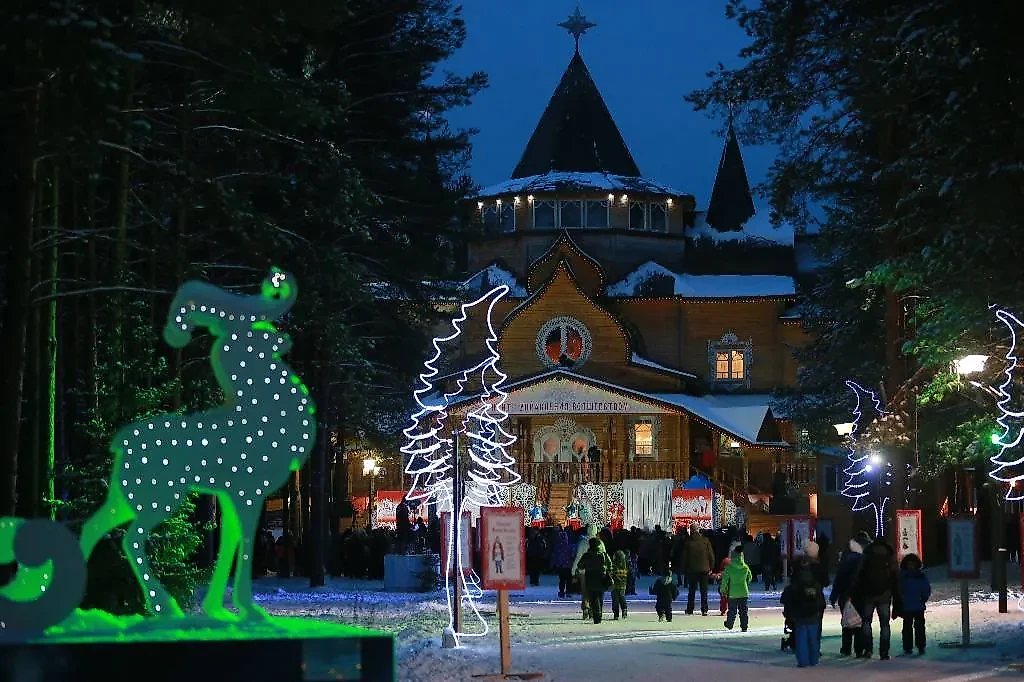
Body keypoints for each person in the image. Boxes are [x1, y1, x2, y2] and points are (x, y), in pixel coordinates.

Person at [851, 534, 898, 659]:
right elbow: (895, 575)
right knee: (885, 624)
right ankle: (884, 652)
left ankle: (868, 649)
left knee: (866, 622)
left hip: (868, 594)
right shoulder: (889, 554)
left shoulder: (867, 553)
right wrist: (896, 593)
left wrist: (854, 590)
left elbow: (858, 573)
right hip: (885, 594)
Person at [781, 551, 825, 667]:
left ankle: (803, 661)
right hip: (813, 613)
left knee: (801, 638)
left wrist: (789, 612)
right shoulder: (815, 583)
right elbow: (820, 599)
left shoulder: (794, 584)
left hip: (800, 614)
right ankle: (813, 659)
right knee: (813, 638)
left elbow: (785, 598)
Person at [830, 537, 866, 656]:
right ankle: (859, 649)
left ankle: (846, 648)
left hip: (845, 596)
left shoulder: (844, 561)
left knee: (847, 623)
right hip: (860, 595)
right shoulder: (863, 561)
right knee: (859, 623)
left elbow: (838, 580)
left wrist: (834, 596)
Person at [898, 553, 931, 655]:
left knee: (910, 627)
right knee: (918, 627)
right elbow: (926, 589)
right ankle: (919, 646)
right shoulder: (920, 576)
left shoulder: (903, 576)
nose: (911, 566)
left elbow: (899, 589)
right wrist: (923, 599)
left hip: (910, 605)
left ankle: (910, 647)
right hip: (916, 605)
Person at [681, 522, 716, 615]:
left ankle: (690, 609)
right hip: (704, 569)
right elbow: (711, 555)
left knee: (691, 590)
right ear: (698, 530)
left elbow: (685, 557)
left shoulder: (688, 542)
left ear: (691, 530)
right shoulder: (705, 540)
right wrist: (711, 567)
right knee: (704, 591)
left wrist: (684, 569)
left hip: (691, 569)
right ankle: (704, 609)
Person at [571, 524, 605, 620]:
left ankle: (586, 608)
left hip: (583, 571)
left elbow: (578, 556)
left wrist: (573, 571)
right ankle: (593, 610)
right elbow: (604, 557)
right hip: (596, 571)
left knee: (585, 591)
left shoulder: (583, 542)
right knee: (594, 591)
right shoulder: (600, 543)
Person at [579, 537, 612, 624]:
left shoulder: (587, 555)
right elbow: (610, 565)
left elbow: (580, 565)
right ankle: (599, 614)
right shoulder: (604, 554)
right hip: (602, 577)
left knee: (593, 597)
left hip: (590, 577)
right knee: (600, 597)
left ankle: (595, 615)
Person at [721, 545, 752, 632]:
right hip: (743, 592)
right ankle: (744, 626)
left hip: (733, 593)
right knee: (743, 611)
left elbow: (725, 581)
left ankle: (730, 624)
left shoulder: (729, 568)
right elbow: (750, 578)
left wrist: (723, 590)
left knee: (732, 610)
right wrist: (745, 583)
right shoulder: (745, 567)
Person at [552, 528, 573, 598]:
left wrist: (555, 564)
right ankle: (568, 591)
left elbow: (555, 556)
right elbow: (572, 555)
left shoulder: (557, 546)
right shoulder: (569, 546)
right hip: (568, 566)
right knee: (568, 580)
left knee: (562, 580)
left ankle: (561, 592)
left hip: (561, 566)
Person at [611, 549, 630, 620]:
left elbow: (612, 573)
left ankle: (616, 614)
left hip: (614, 585)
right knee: (622, 598)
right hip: (623, 586)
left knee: (615, 600)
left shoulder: (613, 565)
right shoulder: (625, 565)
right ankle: (624, 610)